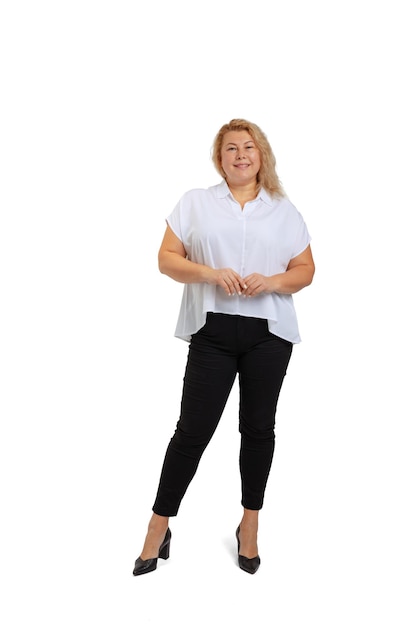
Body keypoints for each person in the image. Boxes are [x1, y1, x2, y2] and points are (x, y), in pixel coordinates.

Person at [133, 118, 315, 576]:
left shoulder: (284, 209)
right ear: (220, 159)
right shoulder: (196, 203)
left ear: (262, 156)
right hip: (212, 331)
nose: (240, 155)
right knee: (191, 432)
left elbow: (306, 269)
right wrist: (211, 273)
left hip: (269, 334)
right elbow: (166, 259)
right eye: (230, 148)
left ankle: (249, 525)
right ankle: (159, 525)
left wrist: (272, 281)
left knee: (258, 431)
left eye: (248, 147)